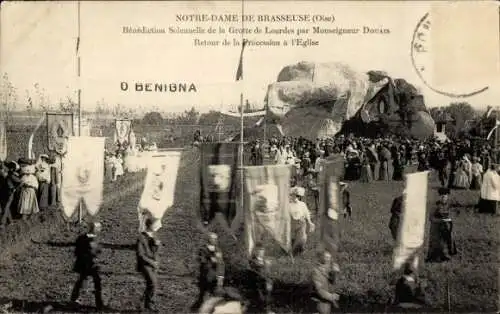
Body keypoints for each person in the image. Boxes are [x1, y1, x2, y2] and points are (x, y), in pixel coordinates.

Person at [70, 222, 106, 311]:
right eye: (98, 228)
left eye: (100, 228)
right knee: (82, 282)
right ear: (93, 228)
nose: (100, 230)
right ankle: (74, 300)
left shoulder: (96, 238)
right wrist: (85, 259)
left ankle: (99, 303)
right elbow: (77, 252)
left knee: (96, 282)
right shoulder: (83, 238)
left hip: (93, 265)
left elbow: (98, 251)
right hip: (85, 265)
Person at [193, 233, 224, 311]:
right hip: (205, 275)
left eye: (215, 239)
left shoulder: (218, 249)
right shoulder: (203, 249)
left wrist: (220, 276)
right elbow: (201, 260)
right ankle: (199, 309)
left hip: (215, 276)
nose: (214, 240)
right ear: (208, 239)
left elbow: (221, 263)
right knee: (202, 294)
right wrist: (211, 259)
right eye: (212, 238)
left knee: (214, 295)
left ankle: (211, 309)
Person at [136, 217, 162, 312]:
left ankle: (142, 304)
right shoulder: (141, 237)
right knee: (153, 284)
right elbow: (141, 255)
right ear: (150, 225)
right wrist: (152, 262)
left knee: (150, 285)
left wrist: (157, 245)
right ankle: (149, 305)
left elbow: (156, 252)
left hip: (153, 264)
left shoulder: (154, 236)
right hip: (145, 265)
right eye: (155, 225)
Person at [425, 188, 457, 262]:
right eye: (442, 197)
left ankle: (446, 255)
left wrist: (450, 219)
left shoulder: (448, 205)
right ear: (439, 197)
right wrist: (441, 220)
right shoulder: (435, 205)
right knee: (437, 242)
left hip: (446, 227)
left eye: (445, 196)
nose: (444, 198)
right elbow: (431, 218)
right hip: (436, 227)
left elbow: (452, 215)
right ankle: (435, 257)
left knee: (448, 239)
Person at [289, 187, 315, 256]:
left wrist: (310, 222)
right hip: (292, 223)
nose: (294, 197)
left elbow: (307, 213)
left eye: (296, 195)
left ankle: (297, 249)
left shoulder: (302, 204)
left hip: (301, 223)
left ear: (299, 196)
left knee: (302, 239)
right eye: (292, 195)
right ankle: (297, 248)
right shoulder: (288, 205)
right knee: (292, 239)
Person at [248, 247, 273, 314]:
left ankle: (268, 311)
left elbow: (269, 273)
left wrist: (269, 281)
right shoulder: (253, 261)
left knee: (268, 298)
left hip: (267, 282)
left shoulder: (266, 261)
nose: (261, 253)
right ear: (256, 252)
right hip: (258, 283)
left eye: (262, 251)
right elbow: (254, 272)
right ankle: (260, 311)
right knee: (260, 298)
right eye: (259, 251)